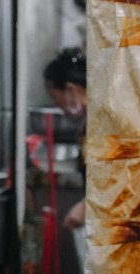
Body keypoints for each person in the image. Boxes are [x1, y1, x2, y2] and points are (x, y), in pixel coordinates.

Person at [43, 47, 88, 233]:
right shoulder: (88, 122)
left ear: (70, 89)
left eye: (55, 98)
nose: (59, 108)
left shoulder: (105, 121)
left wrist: (86, 206)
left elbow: (121, 174)